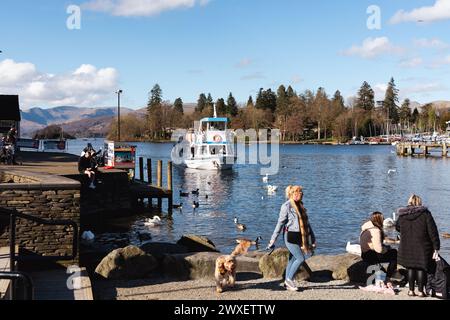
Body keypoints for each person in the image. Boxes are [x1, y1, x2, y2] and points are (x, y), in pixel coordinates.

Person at [267, 185, 316, 291]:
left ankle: (287, 281)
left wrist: (313, 237)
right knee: (300, 258)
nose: (301, 194)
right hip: (290, 236)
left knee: (292, 258)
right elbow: (279, 224)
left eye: (301, 192)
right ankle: (289, 279)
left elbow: (307, 224)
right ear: (292, 194)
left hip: (300, 236)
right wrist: (273, 239)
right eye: (298, 192)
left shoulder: (300, 205)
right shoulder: (286, 206)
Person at [396, 194, 440, 297]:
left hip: (407, 245)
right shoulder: (425, 214)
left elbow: (397, 227)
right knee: (421, 268)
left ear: (409, 202)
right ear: (419, 202)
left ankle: (411, 291)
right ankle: (421, 291)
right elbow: (433, 231)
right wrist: (436, 246)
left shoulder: (403, 214)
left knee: (410, 267)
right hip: (422, 245)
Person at [360, 212, 398, 284]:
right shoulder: (376, 231)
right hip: (371, 255)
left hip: (364, 254)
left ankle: (384, 275)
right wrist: (387, 249)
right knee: (394, 253)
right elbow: (379, 249)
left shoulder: (365, 228)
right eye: (382, 218)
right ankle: (388, 277)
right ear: (379, 220)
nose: (383, 220)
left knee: (390, 252)